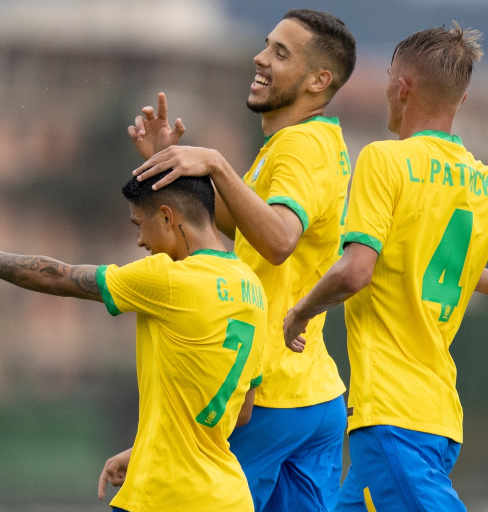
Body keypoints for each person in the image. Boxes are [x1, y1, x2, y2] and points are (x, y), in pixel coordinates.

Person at [282, 23, 488, 512]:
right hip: (437, 417)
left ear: (401, 86)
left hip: (393, 415)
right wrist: (466, 270)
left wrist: (300, 312)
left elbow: (354, 272)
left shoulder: (384, 161)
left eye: (390, 78)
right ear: (462, 97)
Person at [0, 172, 266, 512]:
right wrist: (150, 445)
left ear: (167, 216)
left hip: (165, 497)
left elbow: (59, 279)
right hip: (229, 498)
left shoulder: (170, 279)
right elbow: (242, 410)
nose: (140, 240)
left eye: (138, 225)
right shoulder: (253, 289)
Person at [121, 8, 356, 512]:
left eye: (280, 52)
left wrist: (217, 163)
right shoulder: (310, 143)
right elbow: (241, 223)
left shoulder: (299, 147)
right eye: (267, 45)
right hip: (315, 396)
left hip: (268, 395)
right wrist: (169, 162)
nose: (261, 57)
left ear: (319, 79)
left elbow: (277, 240)